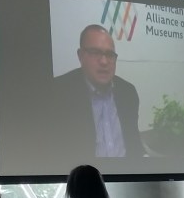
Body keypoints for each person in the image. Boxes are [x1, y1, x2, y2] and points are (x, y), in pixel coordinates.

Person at [54, 24, 144, 159]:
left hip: (125, 176)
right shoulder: (58, 93)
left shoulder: (128, 92)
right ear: (80, 56)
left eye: (109, 54)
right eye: (95, 53)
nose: (104, 61)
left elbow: (134, 144)